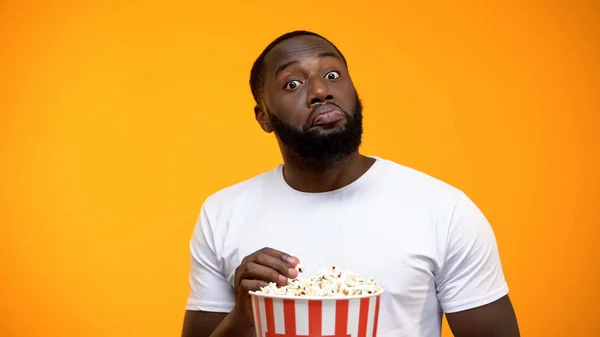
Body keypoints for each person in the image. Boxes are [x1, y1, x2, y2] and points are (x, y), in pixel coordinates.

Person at [181, 30, 520, 337]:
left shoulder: (445, 210)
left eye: (332, 75)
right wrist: (243, 317)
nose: (320, 91)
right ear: (263, 116)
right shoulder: (222, 213)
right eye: (292, 84)